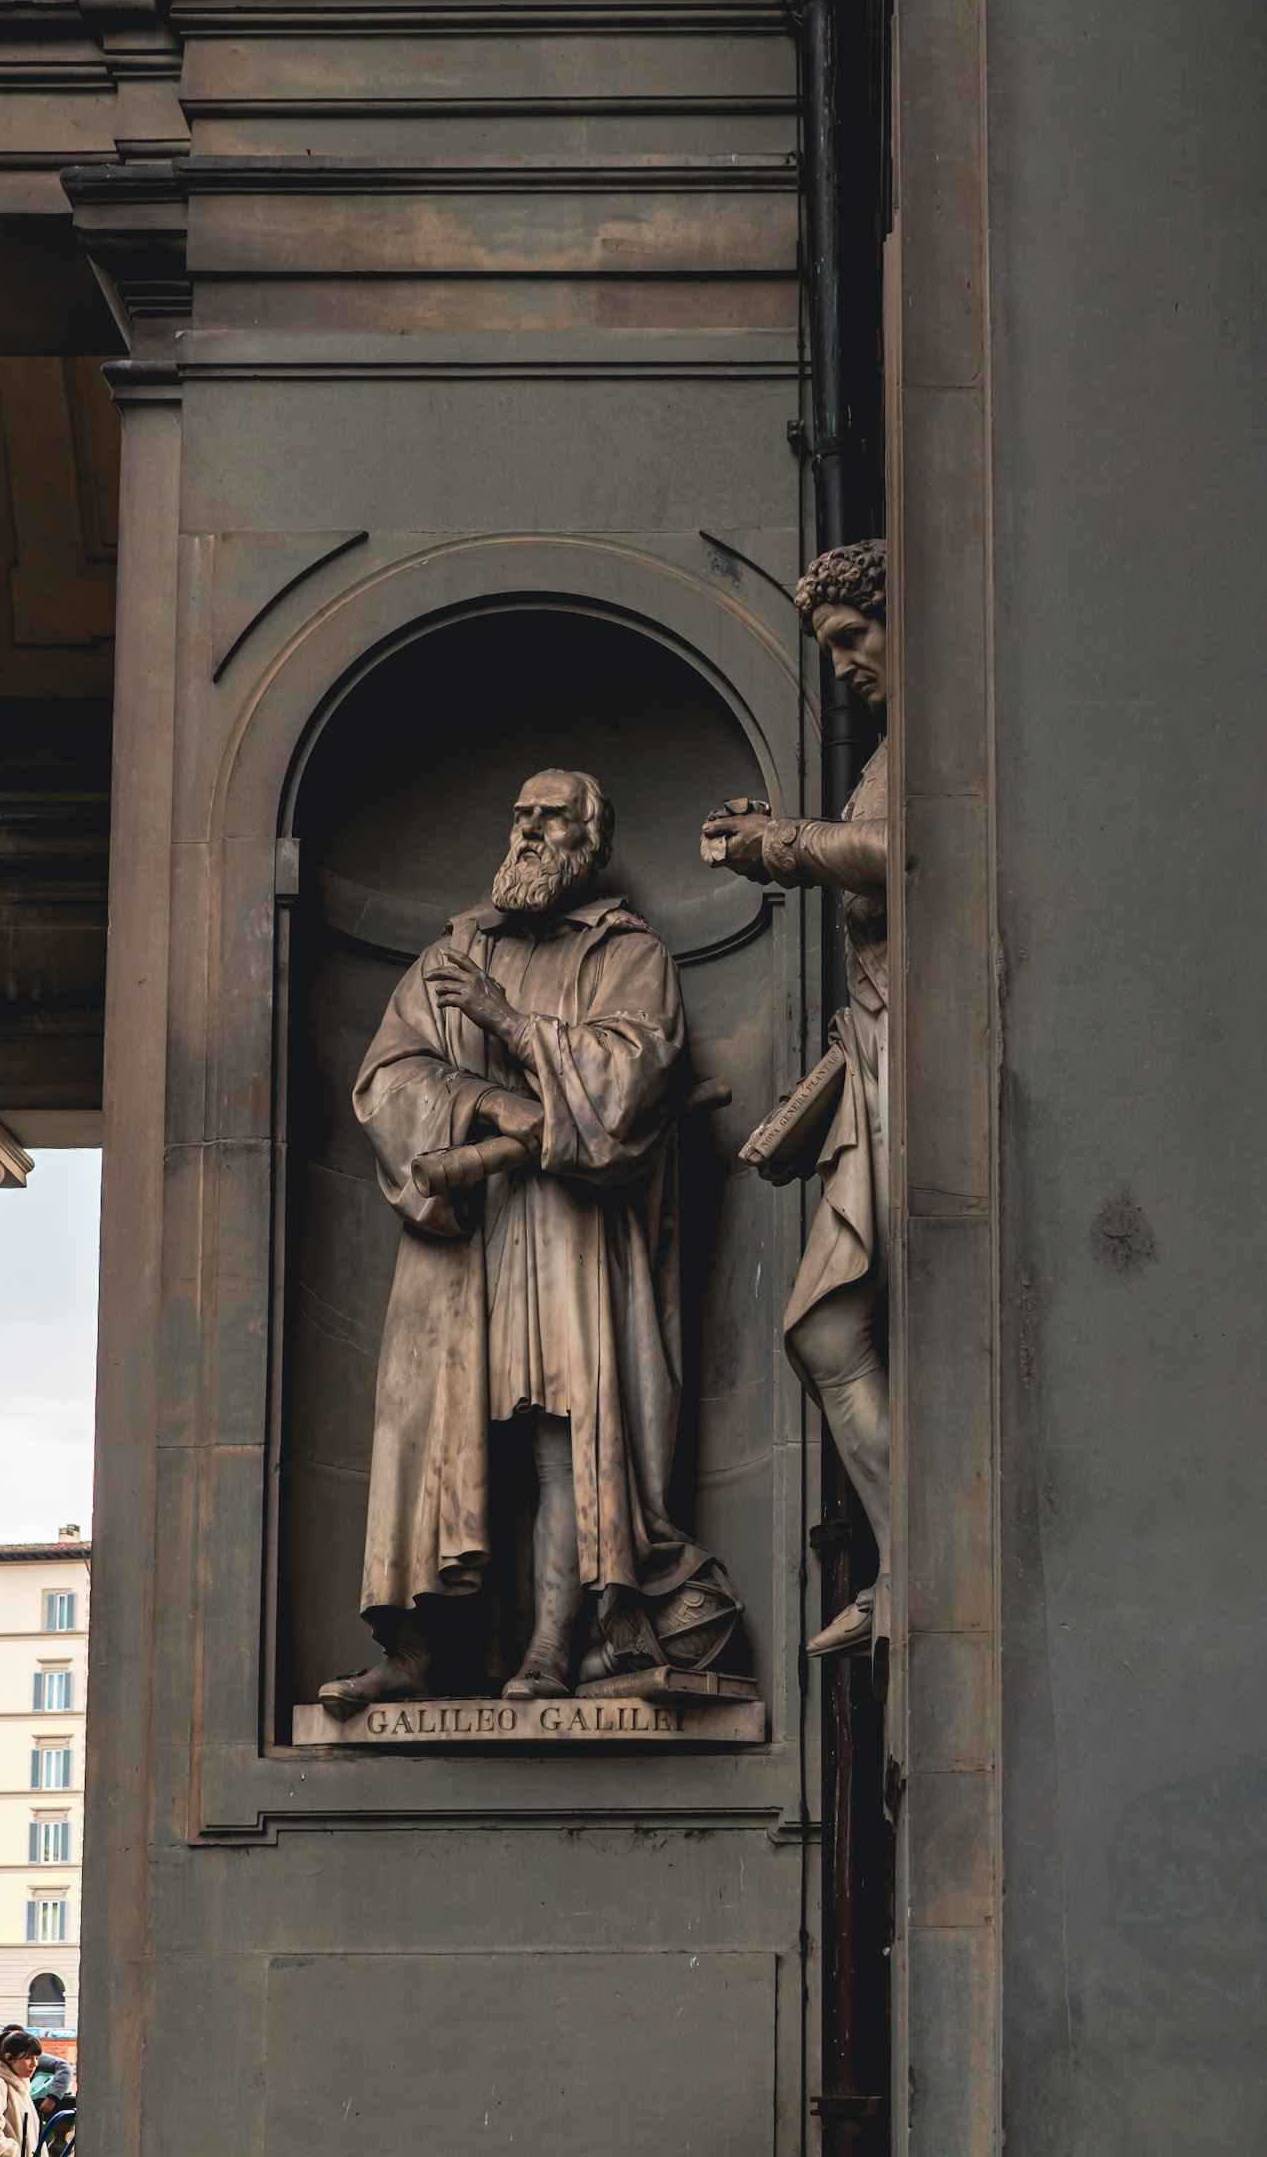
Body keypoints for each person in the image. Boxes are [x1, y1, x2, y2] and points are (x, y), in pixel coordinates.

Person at [319, 766, 741, 1710]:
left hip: (570, 1222)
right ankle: (414, 1650)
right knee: (429, 1425)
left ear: (589, 839)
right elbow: (387, 1078)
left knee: (562, 1432)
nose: (528, 830)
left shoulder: (627, 953)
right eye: (520, 814)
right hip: (461, 1227)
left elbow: (633, 1078)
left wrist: (507, 1022)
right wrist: (486, 1102)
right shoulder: (454, 950)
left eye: (550, 816)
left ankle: (552, 1647)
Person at [701, 536, 891, 1672]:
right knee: (823, 1327)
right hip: (871, 1060)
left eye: (854, 638)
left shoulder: (940, 737)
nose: (846, 667)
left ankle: (917, 1562)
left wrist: (779, 845)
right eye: (829, 650)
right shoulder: (887, 754)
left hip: (911, 1061)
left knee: (840, 1321)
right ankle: (908, 1557)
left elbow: (913, 853)